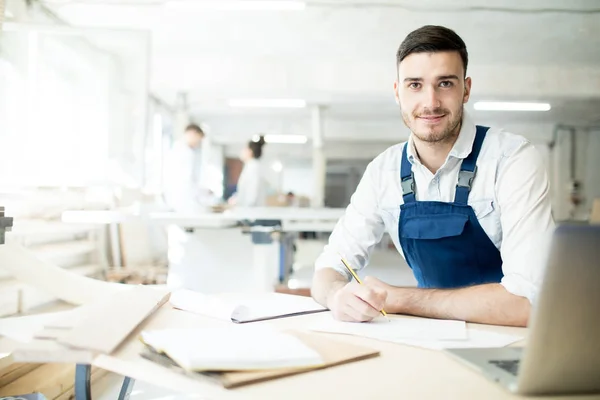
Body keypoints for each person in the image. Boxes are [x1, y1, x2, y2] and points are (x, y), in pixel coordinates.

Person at [311, 25, 554, 328]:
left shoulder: (512, 160)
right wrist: (337, 295)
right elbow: (328, 268)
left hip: (509, 341)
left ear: (466, 89)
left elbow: (528, 303)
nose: (431, 102)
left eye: (445, 84)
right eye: (415, 85)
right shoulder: (382, 172)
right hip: (433, 335)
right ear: (397, 92)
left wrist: (401, 298)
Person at [163, 123, 212, 212]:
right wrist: (201, 192)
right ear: (191, 133)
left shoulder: (188, 151)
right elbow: (186, 180)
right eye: (198, 138)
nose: (198, 142)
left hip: (185, 199)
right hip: (181, 199)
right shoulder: (180, 151)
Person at [228, 135, 268, 207]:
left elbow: (252, 194)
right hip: (249, 212)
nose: (242, 151)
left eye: (244, 149)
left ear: (250, 151)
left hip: (251, 213)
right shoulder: (251, 166)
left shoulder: (253, 168)